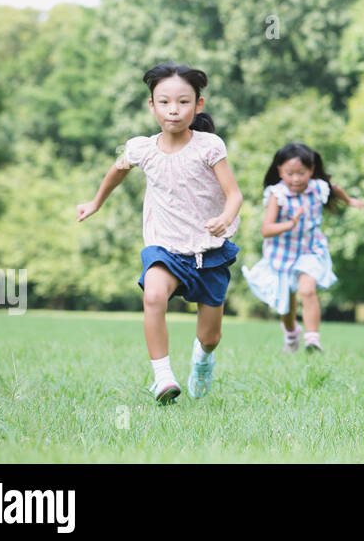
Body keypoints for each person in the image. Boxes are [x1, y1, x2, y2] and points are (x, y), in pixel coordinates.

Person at [76, 63, 243, 404]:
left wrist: (225, 218)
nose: (173, 110)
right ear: (151, 105)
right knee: (153, 295)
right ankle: (163, 377)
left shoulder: (209, 146)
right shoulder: (142, 148)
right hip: (164, 247)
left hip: (207, 251)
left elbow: (234, 194)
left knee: (210, 336)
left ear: (198, 105)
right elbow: (116, 171)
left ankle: (202, 361)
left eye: (183, 102)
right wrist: (95, 202)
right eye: (164, 102)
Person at [244, 143, 364, 354]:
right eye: (289, 173)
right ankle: (292, 334)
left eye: (302, 173)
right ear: (279, 170)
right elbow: (266, 229)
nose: (296, 179)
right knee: (285, 303)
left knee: (307, 290)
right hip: (281, 254)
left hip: (310, 249)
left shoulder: (318, 187)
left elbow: (335, 187)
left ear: (311, 170)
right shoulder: (277, 194)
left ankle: (312, 339)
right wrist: (289, 224)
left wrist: (350, 201)